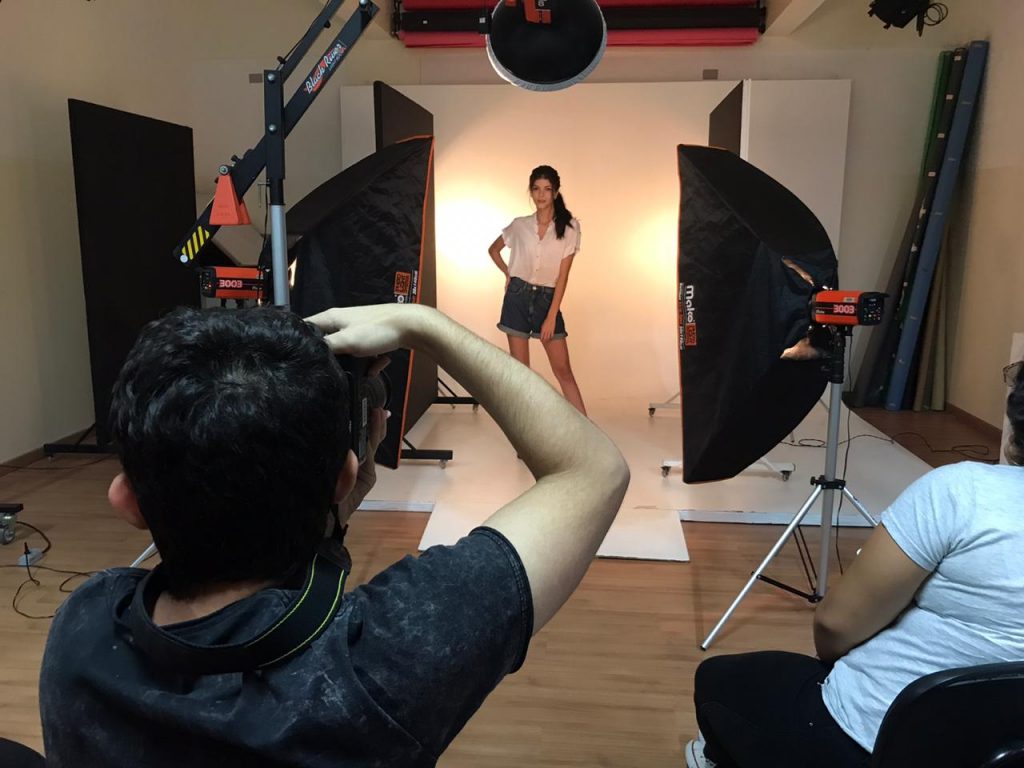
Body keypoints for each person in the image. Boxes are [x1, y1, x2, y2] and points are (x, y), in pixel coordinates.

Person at [39, 303, 629, 767]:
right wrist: (425, 325)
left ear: (127, 502)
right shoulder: (381, 663)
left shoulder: (83, 628)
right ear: (346, 476)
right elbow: (593, 471)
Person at [686, 360, 1024, 768]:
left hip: (870, 742)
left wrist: (835, 663)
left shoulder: (963, 493)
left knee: (717, 679)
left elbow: (836, 626)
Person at [488, 165, 587, 415]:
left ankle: (586, 431)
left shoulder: (570, 228)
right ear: (530, 192)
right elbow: (493, 250)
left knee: (563, 371)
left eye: (547, 189)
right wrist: (508, 273)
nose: (541, 195)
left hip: (547, 300)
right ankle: (528, 433)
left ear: (555, 192)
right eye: (536, 189)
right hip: (517, 299)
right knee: (522, 375)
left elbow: (563, 277)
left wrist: (551, 316)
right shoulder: (519, 225)